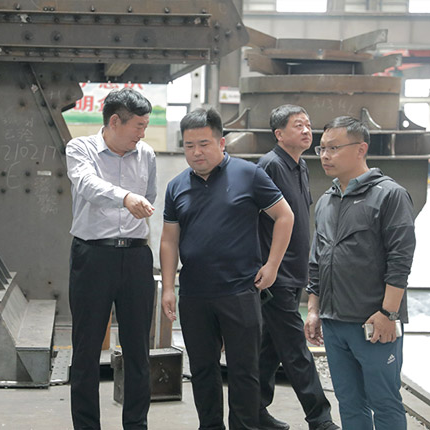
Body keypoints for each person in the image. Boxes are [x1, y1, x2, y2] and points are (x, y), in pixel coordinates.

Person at [160, 107, 294, 430]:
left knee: (244, 371)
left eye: (204, 144)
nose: (196, 152)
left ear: (221, 143)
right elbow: (169, 240)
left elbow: (285, 216)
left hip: (239, 292)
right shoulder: (176, 187)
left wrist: (272, 265)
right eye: (189, 145)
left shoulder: (249, 175)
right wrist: (168, 287)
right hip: (194, 295)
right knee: (202, 370)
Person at [305, 116, 416, 430]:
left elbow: (400, 259)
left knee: (384, 401)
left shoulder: (389, 195)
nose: (325, 155)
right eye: (322, 149)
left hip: (374, 323)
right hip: (334, 322)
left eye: (334, 148)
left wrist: (388, 313)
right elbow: (317, 260)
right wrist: (313, 310)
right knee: (349, 402)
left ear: (361, 149)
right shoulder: (326, 201)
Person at [65, 87, 157, 430]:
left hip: (136, 257)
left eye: (146, 126)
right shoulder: (80, 149)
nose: (142, 133)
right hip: (93, 256)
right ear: (115, 121)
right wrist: (125, 197)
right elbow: (87, 184)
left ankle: (136, 424)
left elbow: (150, 195)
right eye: (138, 126)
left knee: (138, 350)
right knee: (86, 349)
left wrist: (134, 201)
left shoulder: (146, 155)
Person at [257, 105, 339, 430]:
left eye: (308, 124)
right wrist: (267, 266)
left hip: (294, 273)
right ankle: (321, 419)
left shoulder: (300, 166)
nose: (307, 130)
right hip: (275, 276)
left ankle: (253, 413)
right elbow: (254, 219)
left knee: (269, 349)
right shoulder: (270, 165)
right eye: (297, 125)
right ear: (279, 134)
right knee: (295, 350)